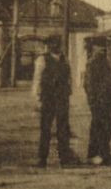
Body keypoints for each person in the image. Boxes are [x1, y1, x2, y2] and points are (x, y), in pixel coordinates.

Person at [32, 36, 77, 166]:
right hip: (48, 98)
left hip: (62, 98)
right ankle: (42, 158)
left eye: (57, 43)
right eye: (52, 43)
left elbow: (69, 78)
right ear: (48, 45)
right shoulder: (42, 59)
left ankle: (64, 158)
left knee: (63, 128)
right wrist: (37, 98)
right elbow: (37, 79)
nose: (55, 46)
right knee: (45, 128)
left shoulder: (65, 59)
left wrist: (69, 92)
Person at [82, 39, 111, 165]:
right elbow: (88, 84)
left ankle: (103, 153)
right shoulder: (92, 64)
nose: (103, 49)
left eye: (104, 47)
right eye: (100, 47)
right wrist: (92, 101)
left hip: (107, 100)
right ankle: (95, 154)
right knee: (98, 127)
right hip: (98, 101)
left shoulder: (106, 63)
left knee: (108, 126)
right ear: (94, 48)